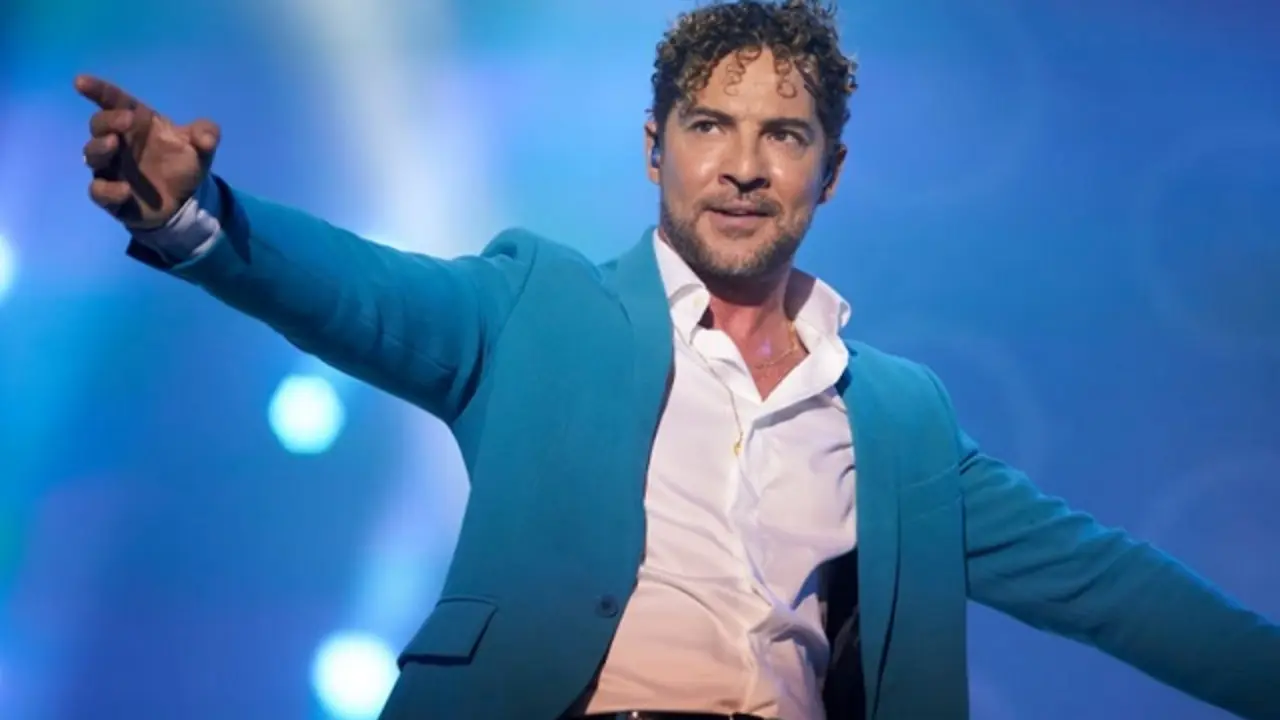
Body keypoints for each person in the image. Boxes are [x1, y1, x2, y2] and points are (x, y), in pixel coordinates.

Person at [77, 1, 1279, 718]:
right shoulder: (538, 303)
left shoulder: (897, 414)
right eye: (710, 127)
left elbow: (1107, 586)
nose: (743, 166)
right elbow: (359, 296)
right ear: (655, 148)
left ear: (830, 170)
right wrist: (196, 214)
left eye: (782, 136)